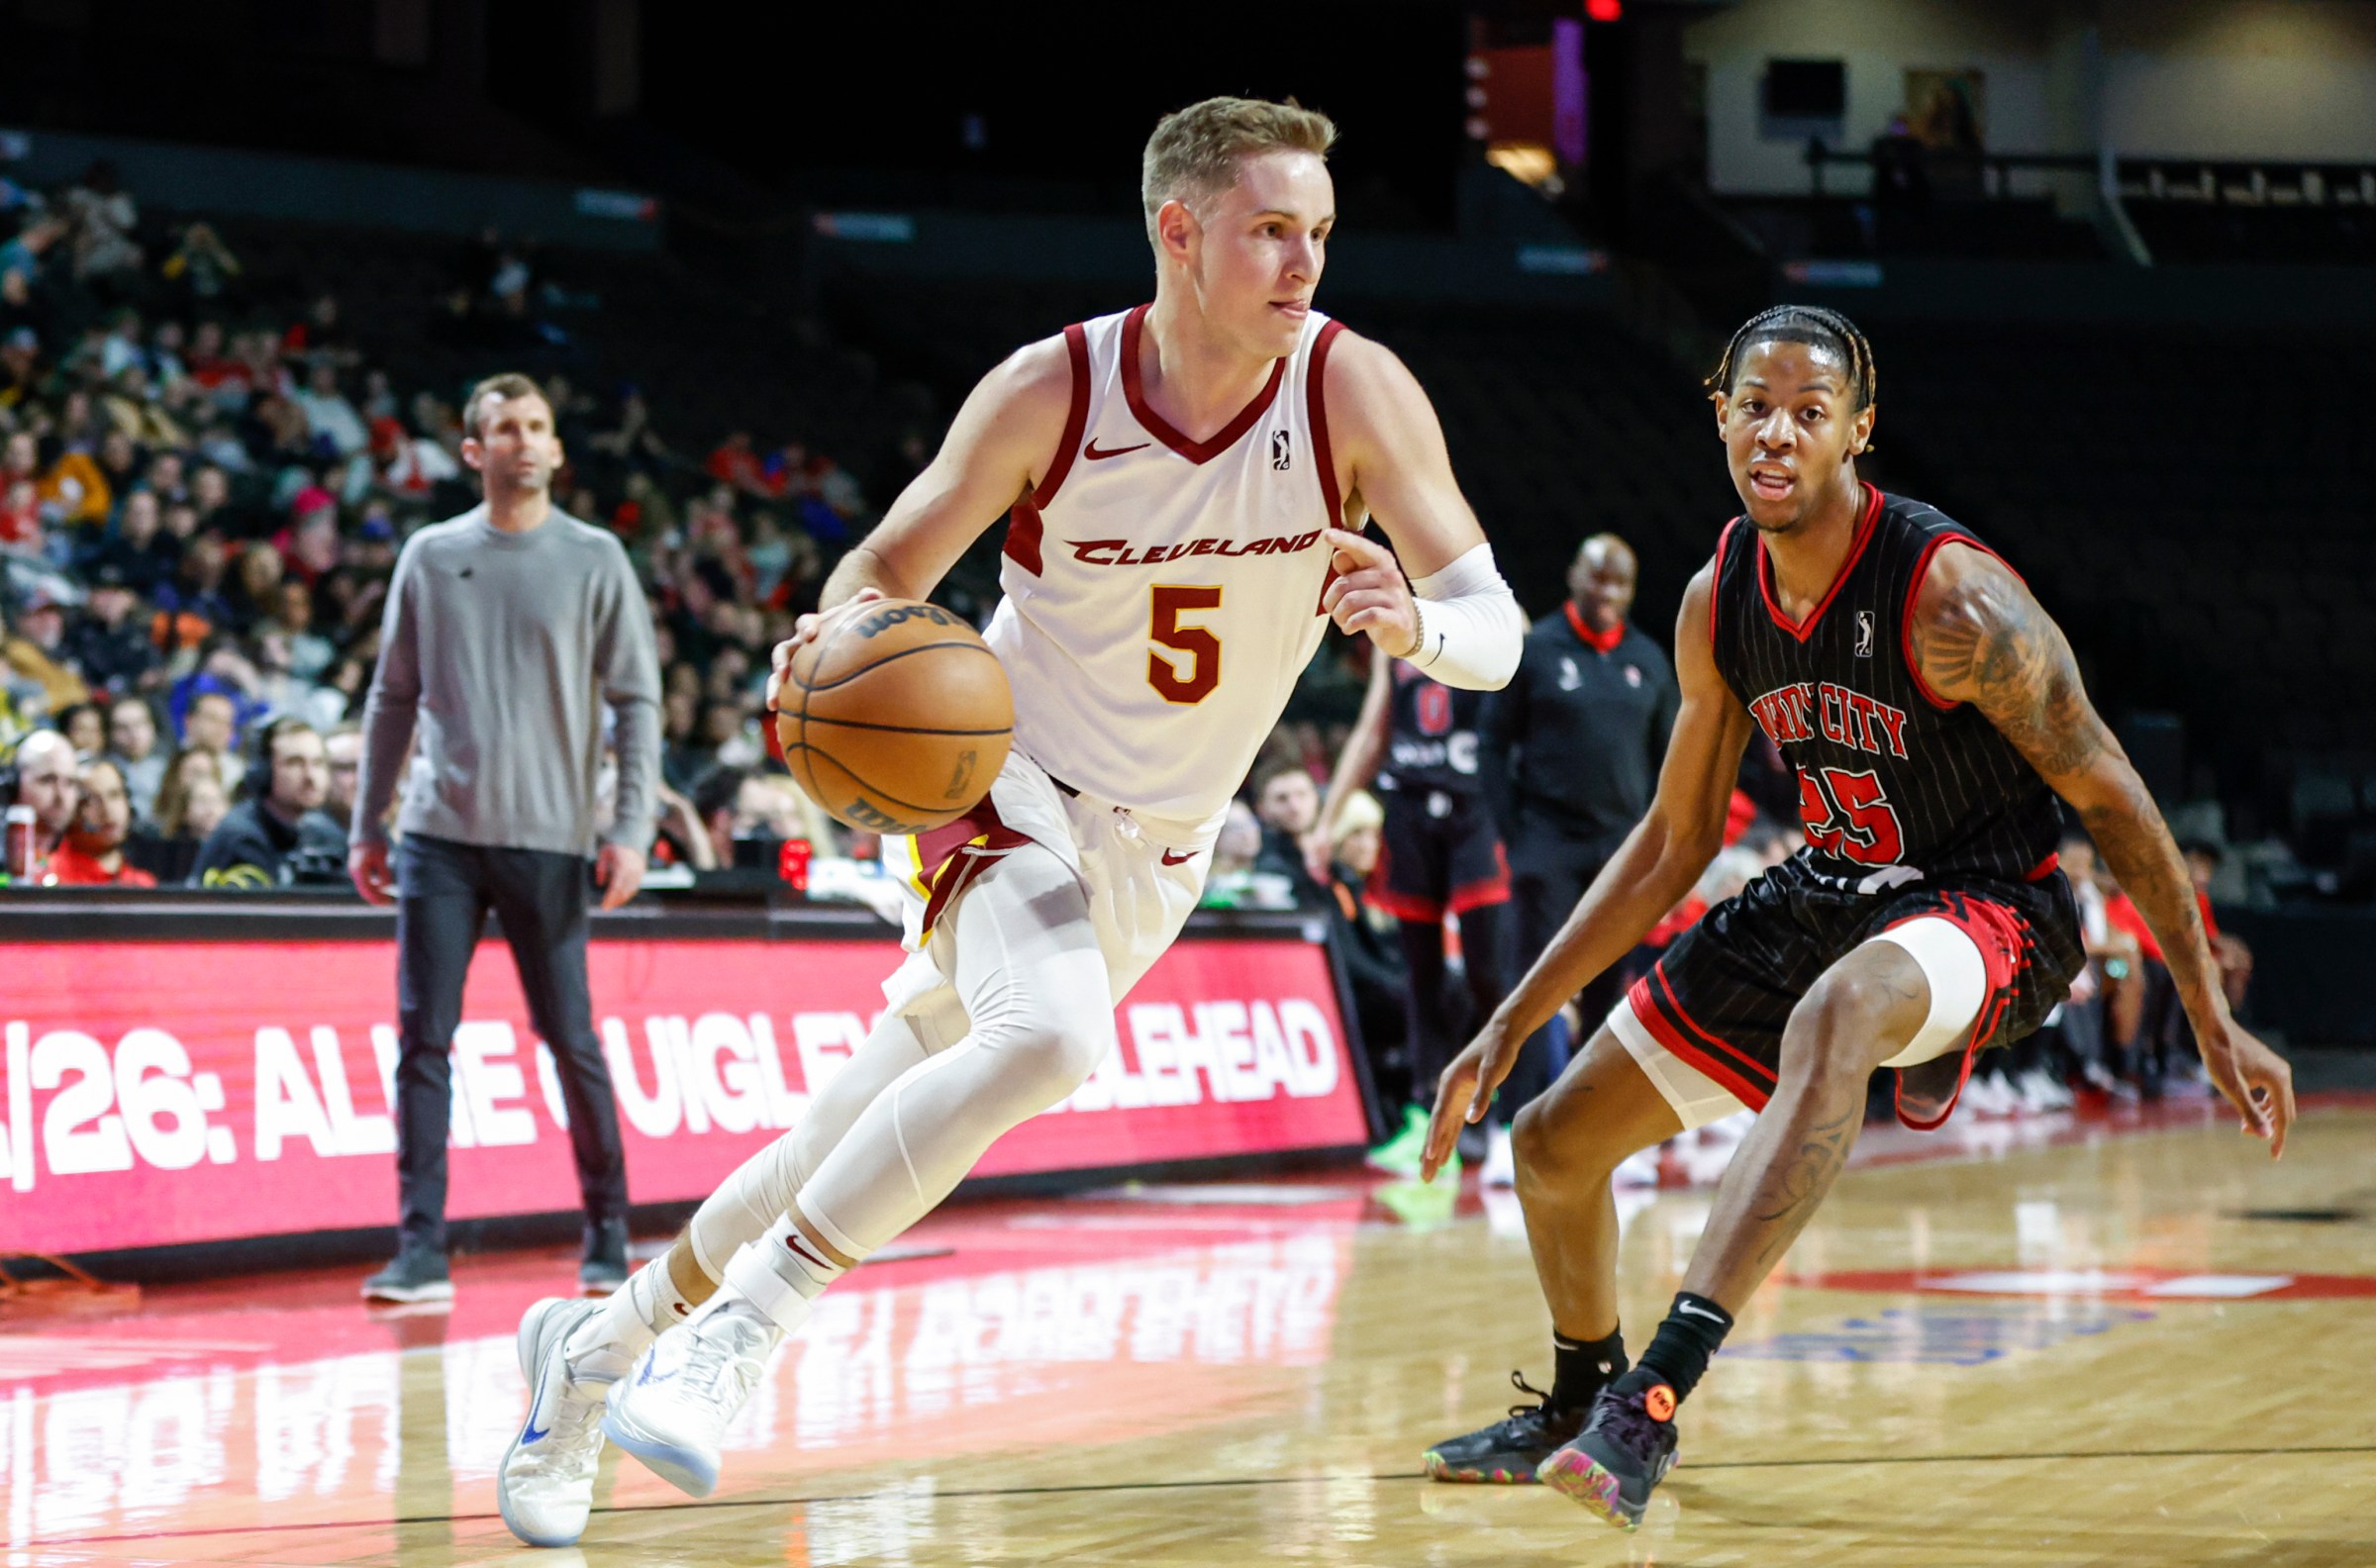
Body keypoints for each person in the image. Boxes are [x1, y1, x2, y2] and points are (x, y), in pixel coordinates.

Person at [490, 96, 1526, 1548]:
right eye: (1272, 231)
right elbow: (887, 562)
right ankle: (740, 1338)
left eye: (1321, 234)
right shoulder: (1057, 388)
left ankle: (588, 1355)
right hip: (1000, 779)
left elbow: (1501, 633)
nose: (1306, 264)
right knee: (1048, 1041)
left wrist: (1415, 618)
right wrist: (830, 637)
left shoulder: (1353, 391)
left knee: (841, 1133)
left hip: (1162, 851)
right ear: (1180, 228)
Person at [1417, 306, 2295, 1528]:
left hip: (1996, 903)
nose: (1776, 434)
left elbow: (2114, 794)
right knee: (1553, 1146)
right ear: (1719, 411)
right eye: (1755, 407)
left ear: (1858, 433)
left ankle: (1653, 1401)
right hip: (1831, 889)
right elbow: (1676, 842)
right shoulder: (1716, 597)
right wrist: (1511, 1019)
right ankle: (1580, 1396)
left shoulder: (1956, 601)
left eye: (1809, 413)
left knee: (1847, 1009)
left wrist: (2205, 1009)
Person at [349, 372, 659, 1309]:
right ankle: (420, 1252)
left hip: (554, 839)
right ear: (473, 451)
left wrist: (632, 827)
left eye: (537, 425)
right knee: (422, 1043)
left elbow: (637, 702)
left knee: (571, 1039)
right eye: (504, 428)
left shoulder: (598, 557)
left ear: (558, 449)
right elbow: (390, 697)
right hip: (435, 835)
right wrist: (369, 820)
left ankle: (607, 1233)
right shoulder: (431, 554)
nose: (523, 440)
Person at [1477, 534, 1678, 1131]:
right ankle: (1518, 1120)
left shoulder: (1649, 660)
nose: (1607, 593)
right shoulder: (1536, 649)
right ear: (1573, 577)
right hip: (1547, 842)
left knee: (1609, 988)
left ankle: (1591, 1125)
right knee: (1535, 984)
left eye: (1619, 584)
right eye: (1597, 579)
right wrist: (1515, 833)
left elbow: (1668, 759)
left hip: (1620, 848)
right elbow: (1492, 744)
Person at [1320, 643, 1511, 1181]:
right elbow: (1370, 732)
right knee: (1420, 976)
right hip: (1408, 809)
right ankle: (1429, 1119)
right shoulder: (1395, 633)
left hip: (1474, 807)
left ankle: (1507, 1118)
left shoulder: (1493, 611)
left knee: (1488, 974)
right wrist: (1325, 821)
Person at [191, 717, 347, 888]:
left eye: (318, 763)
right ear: (263, 772)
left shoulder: (325, 834)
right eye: (294, 763)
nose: (311, 776)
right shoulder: (241, 839)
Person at [49, 756, 155, 886]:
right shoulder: (48, 875)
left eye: (115, 794)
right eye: (92, 800)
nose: (108, 810)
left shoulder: (142, 882)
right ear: (71, 808)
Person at [9, 728, 78, 878]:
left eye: (70, 783)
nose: (61, 797)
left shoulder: (89, 851)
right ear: (15, 784)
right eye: (47, 780)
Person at [106, 694, 164, 819]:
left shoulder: (170, 769)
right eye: (122, 728)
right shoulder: (102, 772)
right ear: (110, 733)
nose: (133, 734)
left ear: (152, 727)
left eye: (140, 724)